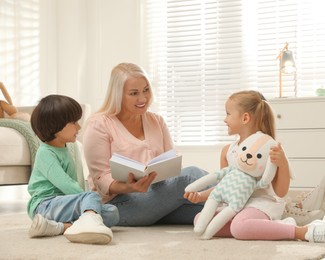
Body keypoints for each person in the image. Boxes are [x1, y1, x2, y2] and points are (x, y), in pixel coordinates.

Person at [184, 90, 325, 244]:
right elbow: (224, 187)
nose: (225, 119)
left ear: (245, 118)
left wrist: (283, 164)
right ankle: (270, 227)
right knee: (199, 219)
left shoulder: (270, 150)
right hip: (234, 204)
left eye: (228, 114)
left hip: (260, 204)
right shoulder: (227, 151)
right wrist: (201, 196)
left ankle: (303, 231)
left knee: (239, 227)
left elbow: (281, 191)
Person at [82, 62, 208, 226]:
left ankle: (243, 210)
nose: (142, 98)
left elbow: (172, 162)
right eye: (134, 93)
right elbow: (100, 179)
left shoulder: (156, 121)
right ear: (118, 94)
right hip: (119, 204)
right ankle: (242, 192)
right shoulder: (99, 124)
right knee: (190, 175)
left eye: (146, 90)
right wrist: (130, 188)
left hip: (155, 198)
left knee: (210, 211)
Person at [27, 95, 119, 245]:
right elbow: (66, 184)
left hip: (63, 204)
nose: (79, 127)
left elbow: (75, 183)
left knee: (111, 212)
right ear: (55, 126)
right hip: (44, 206)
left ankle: (59, 227)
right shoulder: (45, 153)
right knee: (91, 199)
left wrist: (89, 201)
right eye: (74, 122)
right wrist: (88, 198)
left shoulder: (68, 148)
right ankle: (85, 223)